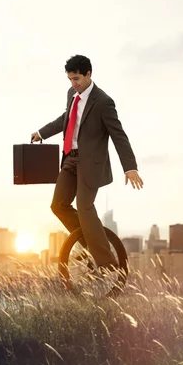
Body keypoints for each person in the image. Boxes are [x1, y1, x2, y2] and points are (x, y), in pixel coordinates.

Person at [31, 54, 143, 271]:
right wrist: (42, 133)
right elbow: (66, 119)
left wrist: (130, 168)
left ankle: (107, 263)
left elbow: (119, 135)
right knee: (58, 205)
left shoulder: (103, 102)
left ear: (89, 74)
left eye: (77, 79)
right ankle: (92, 244)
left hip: (90, 163)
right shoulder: (71, 94)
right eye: (70, 79)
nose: (74, 84)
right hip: (70, 159)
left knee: (84, 205)